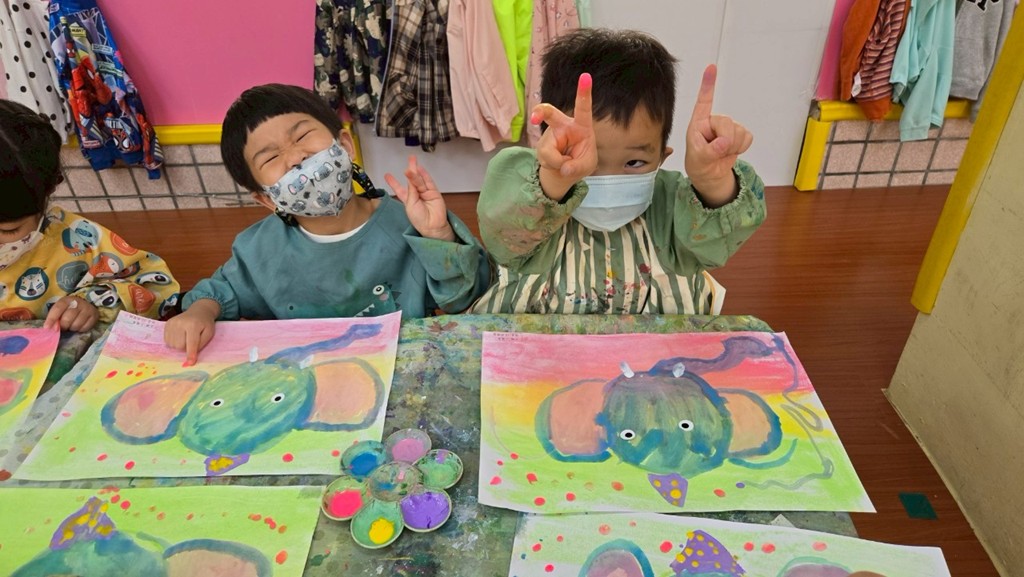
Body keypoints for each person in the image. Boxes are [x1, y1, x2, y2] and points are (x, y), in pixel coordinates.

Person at [164, 84, 490, 363]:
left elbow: (468, 297)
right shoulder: (259, 251)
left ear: (345, 146)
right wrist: (200, 312)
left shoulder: (410, 222)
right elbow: (220, 292)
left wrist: (438, 236)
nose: (296, 158)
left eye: (302, 136)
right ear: (265, 198)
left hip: (407, 368)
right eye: (271, 157)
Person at [470, 29, 766, 315]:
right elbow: (504, 236)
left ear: (661, 158)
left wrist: (713, 185)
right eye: (588, 160)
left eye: (634, 163)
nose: (609, 180)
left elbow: (715, 241)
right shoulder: (531, 193)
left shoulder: (675, 207)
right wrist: (553, 181)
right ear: (551, 147)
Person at [0, 99, 181, 331]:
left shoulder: (77, 238)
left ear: (47, 194)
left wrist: (93, 304)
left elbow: (156, 285)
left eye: (9, 230)